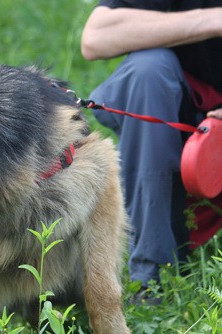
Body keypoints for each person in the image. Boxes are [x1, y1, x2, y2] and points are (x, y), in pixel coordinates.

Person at [80, 0, 222, 302]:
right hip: (186, 123)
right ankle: (152, 280)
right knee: (148, 69)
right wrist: (214, 19)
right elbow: (96, 37)